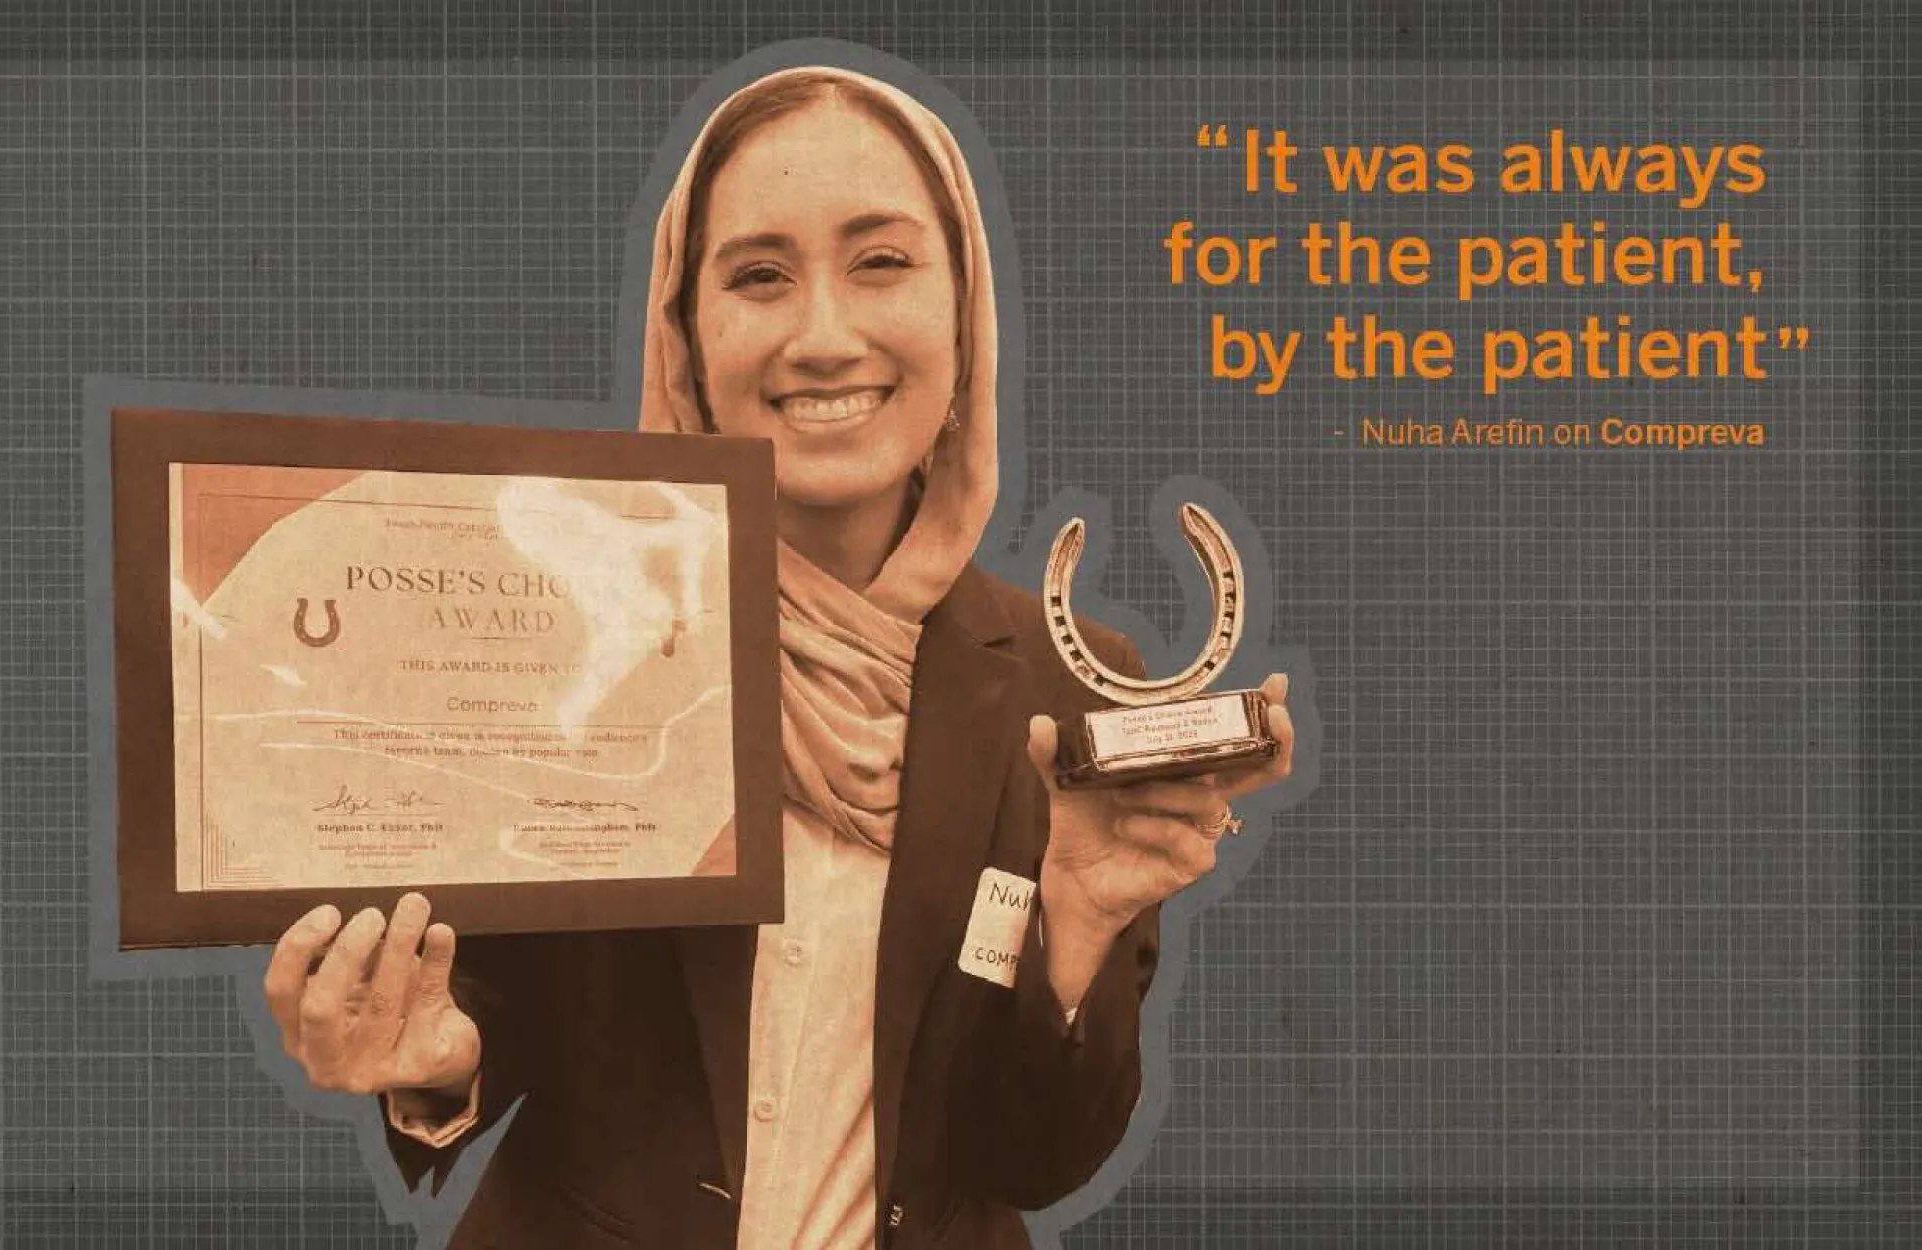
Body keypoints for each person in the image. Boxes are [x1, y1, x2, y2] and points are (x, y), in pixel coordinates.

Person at [261, 65, 1294, 1249]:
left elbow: (1036, 1154)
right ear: (686, 336)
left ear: (965, 315)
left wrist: (1072, 934)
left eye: (882, 261)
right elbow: (483, 998)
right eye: (758, 275)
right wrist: (435, 1059)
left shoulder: (1071, 690)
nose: (821, 334)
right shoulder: (557, 633)